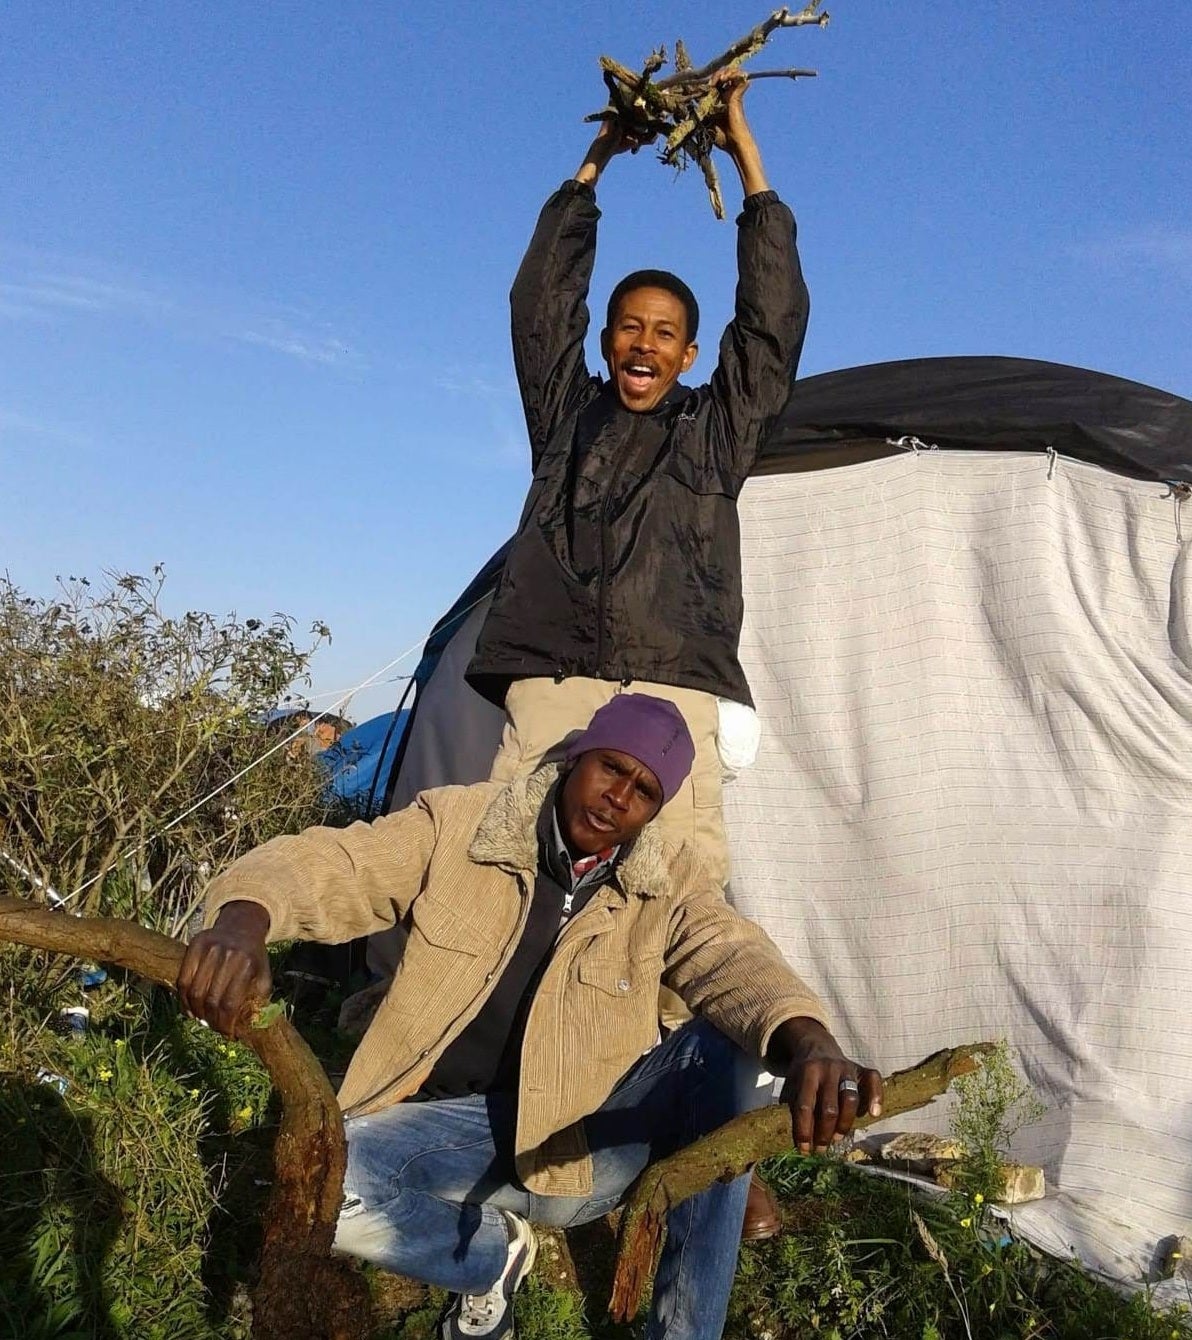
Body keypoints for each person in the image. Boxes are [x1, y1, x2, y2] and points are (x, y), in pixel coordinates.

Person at [178, 694, 881, 1340]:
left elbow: (731, 956)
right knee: (332, 1180)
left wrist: (808, 1041)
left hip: (579, 1140)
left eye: (643, 792)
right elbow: (338, 864)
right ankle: (489, 1257)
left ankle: (682, 1331)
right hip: (452, 1120)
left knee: (723, 1050)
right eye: (611, 769)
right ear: (579, 758)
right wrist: (245, 917)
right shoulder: (460, 825)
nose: (617, 799)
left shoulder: (667, 881)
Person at [466, 72, 810, 888]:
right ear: (608, 341)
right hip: (553, 680)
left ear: (689, 355)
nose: (644, 344)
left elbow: (769, 329)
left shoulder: (715, 433)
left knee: (672, 897)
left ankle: (663, 1020)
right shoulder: (565, 418)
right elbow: (540, 305)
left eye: (664, 333)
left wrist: (749, 161)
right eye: (630, 328)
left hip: (673, 691)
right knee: (500, 879)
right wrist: (596, 162)